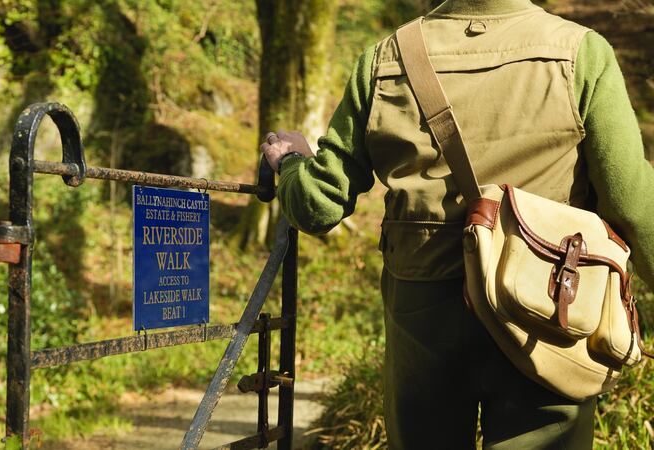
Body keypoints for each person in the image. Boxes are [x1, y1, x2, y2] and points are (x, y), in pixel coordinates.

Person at [260, 0, 654, 448]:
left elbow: (316, 206)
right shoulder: (580, 53)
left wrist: (291, 163)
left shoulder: (384, 60)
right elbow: (633, 204)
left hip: (423, 316)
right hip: (548, 306)